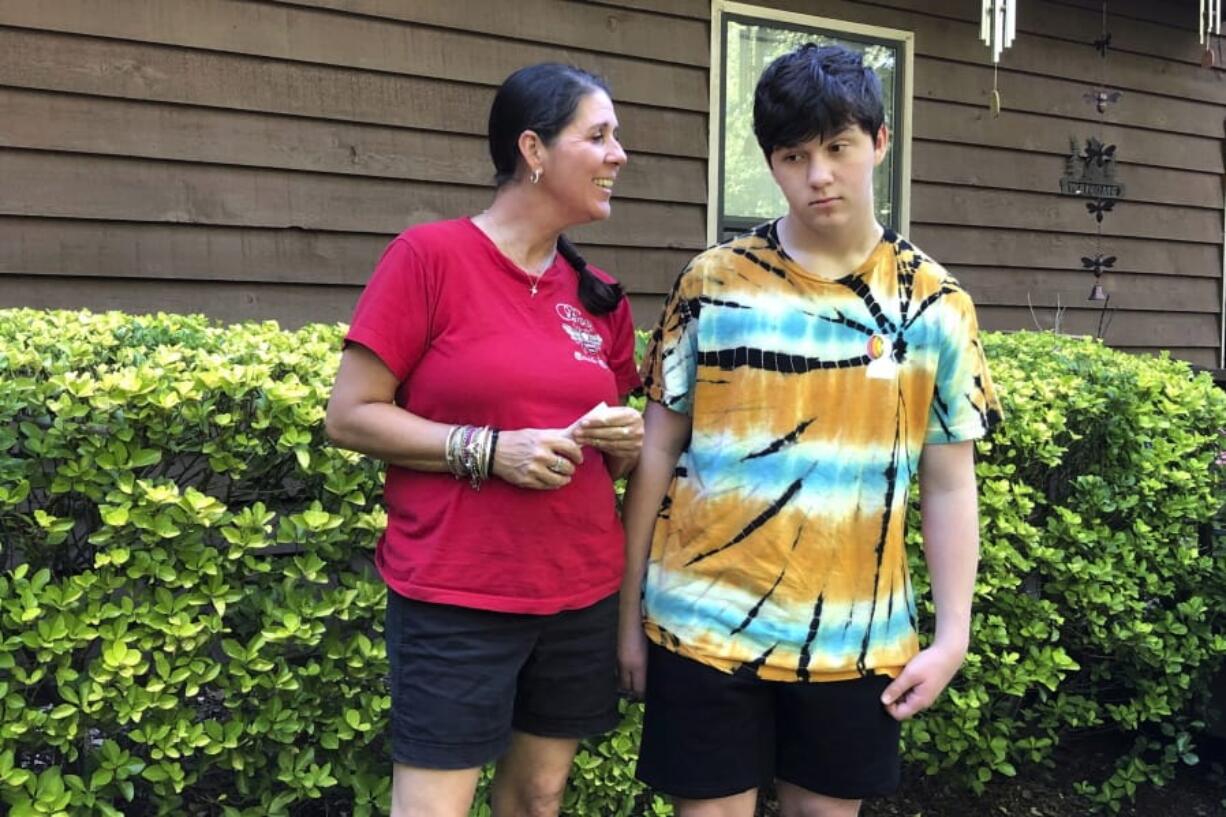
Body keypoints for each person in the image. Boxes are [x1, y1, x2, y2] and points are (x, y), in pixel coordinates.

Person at [618, 44, 1003, 817]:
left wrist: (952, 634)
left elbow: (950, 480)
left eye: (838, 147)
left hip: (856, 639)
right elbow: (657, 449)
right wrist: (626, 617)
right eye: (794, 156)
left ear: (880, 143)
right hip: (702, 621)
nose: (818, 174)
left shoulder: (936, 304)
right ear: (772, 162)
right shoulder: (711, 282)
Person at [325, 63, 643, 817]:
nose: (618, 154)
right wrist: (490, 450)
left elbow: (619, 451)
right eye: (598, 136)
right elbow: (350, 414)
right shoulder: (429, 259)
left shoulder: (598, 294)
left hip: (578, 590)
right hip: (457, 593)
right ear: (534, 150)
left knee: (539, 796)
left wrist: (622, 441)